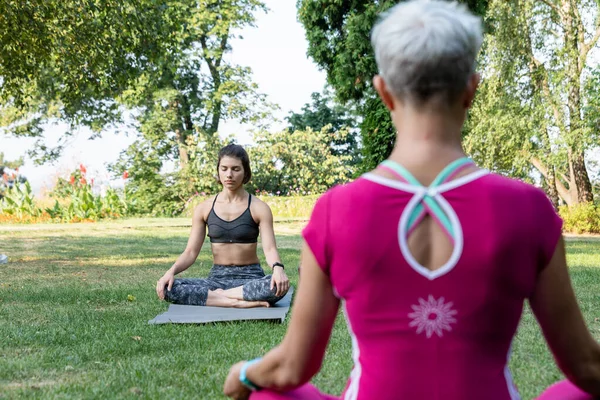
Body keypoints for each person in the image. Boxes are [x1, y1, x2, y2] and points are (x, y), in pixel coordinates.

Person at [222, 1, 600, 399]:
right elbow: (586, 367)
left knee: (268, 393)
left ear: (384, 91)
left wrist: (244, 372)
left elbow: (292, 368)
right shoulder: (528, 208)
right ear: (471, 89)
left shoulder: (336, 210)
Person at [156, 144, 290, 308]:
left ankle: (219, 298)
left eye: (235, 169)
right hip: (217, 279)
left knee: (277, 285)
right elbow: (190, 252)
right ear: (218, 171)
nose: (229, 175)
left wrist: (278, 268)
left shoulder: (259, 207)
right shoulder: (204, 208)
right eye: (224, 168)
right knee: (169, 287)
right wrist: (170, 272)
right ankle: (237, 303)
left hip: (250, 278)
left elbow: (270, 249)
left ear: (245, 172)